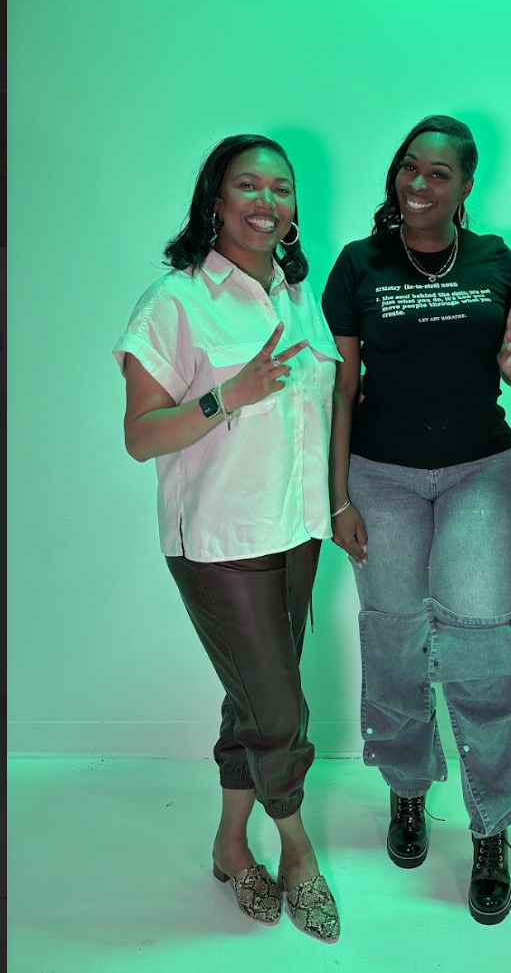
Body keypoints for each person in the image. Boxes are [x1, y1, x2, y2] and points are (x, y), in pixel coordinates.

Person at [322, 114, 511, 925]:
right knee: (394, 640)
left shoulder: (495, 259)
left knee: (481, 650)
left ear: (465, 186)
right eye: (408, 168)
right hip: (379, 478)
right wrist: (338, 496)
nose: (418, 184)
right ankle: (407, 789)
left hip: (479, 473)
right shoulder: (360, 264)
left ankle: (492, 826)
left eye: (438, 173)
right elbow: (342, 388)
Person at [113, 135, 341, 941]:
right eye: (249, 184)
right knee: (277, 709)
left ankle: (228, 845)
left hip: (296, 531)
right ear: (216, 199)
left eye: (281, 188)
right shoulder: (174, 302)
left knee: (251, 697)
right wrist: (227, 396)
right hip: (217, 540)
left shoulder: (298, 295)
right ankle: (298, 852)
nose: (266, 201)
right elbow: (141, 436)